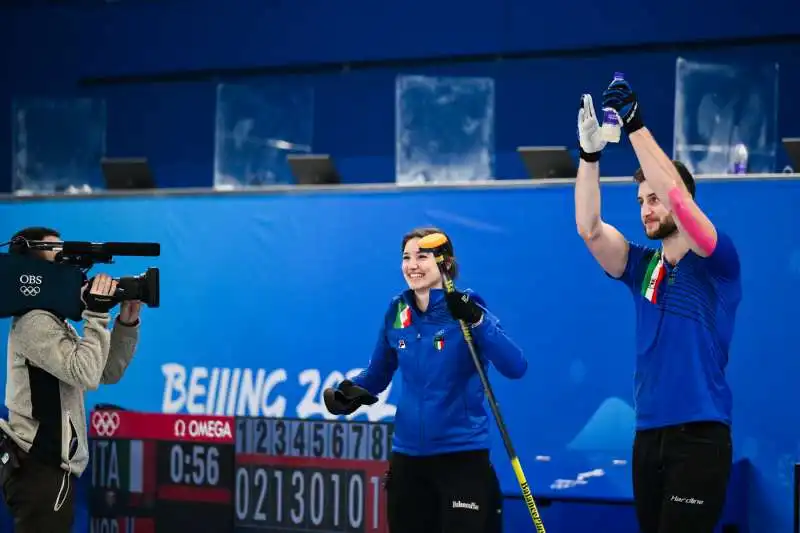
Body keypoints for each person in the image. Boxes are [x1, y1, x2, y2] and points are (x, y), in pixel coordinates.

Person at [574, 83, 741, 533]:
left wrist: (636, 126)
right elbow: (590, 231)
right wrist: (589, 159)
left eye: (654, 198)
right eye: (641, 202)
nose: (647, 210)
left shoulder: (717, 260)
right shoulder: (641, 265)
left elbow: (681, 201)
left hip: (700, 436)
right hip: (648, 436)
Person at [323, 226, 527, 533]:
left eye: (422, 256)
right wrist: (350, 394)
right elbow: (377, 373)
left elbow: (516, 366)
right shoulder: (397, 311)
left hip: (461, 458)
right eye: (406, 257)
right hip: (408, 461)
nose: (412, 265)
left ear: (444, 263)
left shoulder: (466, 307)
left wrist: (477, 319)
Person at [0, 226, 143, 532]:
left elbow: (106, 371)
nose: (70, 264)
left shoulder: (54, 322)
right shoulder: (35, 323)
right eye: (59, 255)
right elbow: (87, 373)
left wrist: (126, 323)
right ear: (37, 271)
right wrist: (97, 314)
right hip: (39, 468)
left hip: (52, 470)